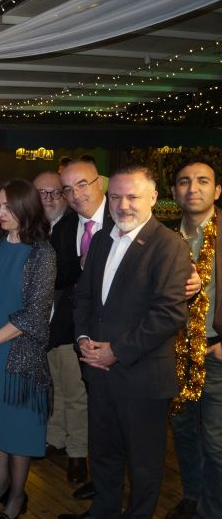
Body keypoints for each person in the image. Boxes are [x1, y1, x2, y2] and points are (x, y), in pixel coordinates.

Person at [61, 166, 192, 519]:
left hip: (142, 379)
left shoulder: (169, 246)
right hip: (99, 373)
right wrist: (83, 339)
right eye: (116, 196)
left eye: (133, 196)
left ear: (153, 197)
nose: (123, 205)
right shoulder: (102, 240)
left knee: (143, 466)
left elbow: (168, 315)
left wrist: (116, 352)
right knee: (104, 455)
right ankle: (103, 512)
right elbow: (83, 298)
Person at [0, 179, 56, 519]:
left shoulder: (43, 253)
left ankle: (17, 496)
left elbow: (34, 313)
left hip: (18, 355)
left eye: (6, 206)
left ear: (25, 207)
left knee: (17, 429)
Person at [165, 157, 222, 519]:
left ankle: (213, 511)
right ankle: (192, 497)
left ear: (217, 190)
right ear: (174, 192)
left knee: (216, 443)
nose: (193, 188)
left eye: (203, 181)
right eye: (185, 182)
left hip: (216, 353)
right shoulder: (166, 238)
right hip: (175, 353)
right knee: (183, 432)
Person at [47, 158, 109, 486]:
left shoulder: (120, 220)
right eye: (68, 189)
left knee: (93, 401)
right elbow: (58, 276)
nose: (75, 194)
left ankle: (84, 457)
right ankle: (72, 450)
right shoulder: (65, 227)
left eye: (82, 185)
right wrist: (81, 265)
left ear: (99, 183)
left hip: (113, 331)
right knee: (66, 388)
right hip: (70, 322)